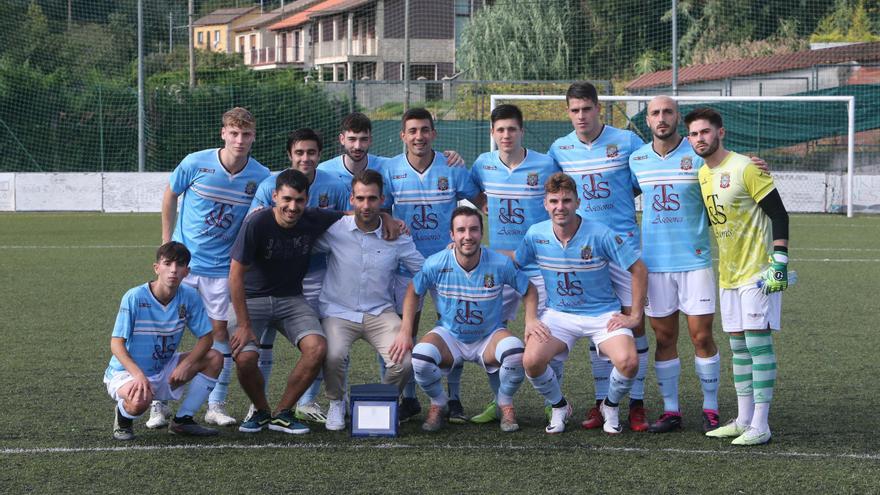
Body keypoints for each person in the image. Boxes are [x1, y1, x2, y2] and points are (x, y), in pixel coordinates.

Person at [155, 107, 270, 428]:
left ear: (253, 137)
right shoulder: (195, 162)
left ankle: (215, 405)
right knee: (169, 332)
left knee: (222, 335)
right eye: (234, 133)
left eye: (246, 134)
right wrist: (167, 243)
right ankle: (159, 404)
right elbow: (170, 194)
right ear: (223, 134)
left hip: (223, 271)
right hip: (184, 268)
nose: (240, 140)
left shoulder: (260, 176)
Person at [548, 82, 650, 432]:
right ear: (568, 112)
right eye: (574, 110)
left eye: (586, 109)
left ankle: (636, 403)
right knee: (599, 324)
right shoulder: (559, 148)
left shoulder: (627, 141)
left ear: (598, 108)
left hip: (623, 248)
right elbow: (549, 192)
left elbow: (644, 180)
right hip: (583, 254)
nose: (581, 116)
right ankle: (601, 401)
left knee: (633, 324)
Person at [686, 107, 789, 446]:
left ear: (720, 132)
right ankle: (744, 419)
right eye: (694, 134)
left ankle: (761, 424)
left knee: (758, 345)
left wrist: (780, 260)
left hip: (758, 272)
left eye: (705, 132)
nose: (700, 138)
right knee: (738, 348)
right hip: (728, 273)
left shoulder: (745, 167)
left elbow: (779, 213)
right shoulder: (702, 174)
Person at [518, 173, 647, 434]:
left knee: (629, 361)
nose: (560, 207)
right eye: (554, 201)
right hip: (559, 314)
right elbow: (517, 267)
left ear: (578, 202)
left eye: (566, 200)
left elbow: (639, 269)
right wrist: (531, 317)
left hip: (602, 314)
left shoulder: (600, 233)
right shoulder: (536, 234)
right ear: (545, 204)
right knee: (531, 361)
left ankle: (609, 406)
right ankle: (559, 406)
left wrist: (634, 316)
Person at [390, 206, 537, 432]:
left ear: (481, 233)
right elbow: (413, 290)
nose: (467, 236)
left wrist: (531, 320)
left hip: (489, 335)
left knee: (516, 353)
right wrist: (405, 331)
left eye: (473, 230)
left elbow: (528, 289)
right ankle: (439, 404)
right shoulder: (437, 263)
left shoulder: (499, 263)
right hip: (450, 335)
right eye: (461, 230)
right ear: (452, 235)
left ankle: (504, 403)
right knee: (419, 357)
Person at [381, 108, 485, 423]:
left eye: (424, 130)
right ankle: (408, 399)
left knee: (454, 331)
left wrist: (465, 232)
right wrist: (389, 218)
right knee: (402, 332)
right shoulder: (390, 170)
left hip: (447, 266)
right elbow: (382, 208)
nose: (419, 136)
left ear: (434, 134)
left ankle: (453, 399)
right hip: (405, 266)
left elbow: (477, 198)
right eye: (412, 131)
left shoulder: (450, 167)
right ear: (402, 136)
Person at [629, 96, 721, 433]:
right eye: (655, 113)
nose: (661, 118)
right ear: (648, 120)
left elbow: (725, 172)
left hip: (694, 261)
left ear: (677, 118)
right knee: (664, 338)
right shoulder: (636, 159)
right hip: (654, 265)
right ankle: (672, 411)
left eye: (668, 112)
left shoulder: (697, 154)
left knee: (701, 337)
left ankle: (710, 407)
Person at [248, 128, 349, 424]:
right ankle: (259, 406)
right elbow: (255, 224)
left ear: (320, 154)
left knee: (323, 339)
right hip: (274, 276)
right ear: (290, 155)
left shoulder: (336, 186)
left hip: (319, 274)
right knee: (262, 343)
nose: (306, 158)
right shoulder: (270, 185)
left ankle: (307, 401)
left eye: (312, 152)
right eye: (299, 153)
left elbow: (349, 223)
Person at [228, 169, 340, 435]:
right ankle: (261, 410)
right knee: (245, 358)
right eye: (287, 199)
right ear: (275, 196)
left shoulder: (312, 218)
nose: (292, 207)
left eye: (299, 200)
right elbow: (234, 276)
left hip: (291, 299)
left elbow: (354, 215)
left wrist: (386, 218)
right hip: (252, 299)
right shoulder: (256, 223)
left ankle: (283, 412)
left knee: (317, 348)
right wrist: (243, 325)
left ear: (307, 200)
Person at [468, 103, 560, 423]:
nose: (506, 135)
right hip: (500, 264)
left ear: (522, 131)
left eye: (512, 129)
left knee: (547, 334)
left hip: (539, 263)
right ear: (492, 134)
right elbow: (473, 192)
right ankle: (500, 400)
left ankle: (553, 401)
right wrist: (486, 206)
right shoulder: (483, 164)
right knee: (492, 331)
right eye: (500, 130)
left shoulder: (546, 164)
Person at [313, 170, 425, 431]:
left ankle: (379, 403)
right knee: (333, 355)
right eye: (360, 198)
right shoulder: (335, 230)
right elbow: (301, 236)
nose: (366, 205)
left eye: (372, 199)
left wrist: (451, 256)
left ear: (382, 199)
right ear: (351, 199)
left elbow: (423, 270)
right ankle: (336, 402)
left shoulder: (396, 235)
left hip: (380, 312)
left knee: (404, 362)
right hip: (338, 311)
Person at [104, 242, 223, 440]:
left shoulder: (190, 297)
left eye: (180, 265)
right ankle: (123, 418)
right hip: (126, 373)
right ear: (156, 268)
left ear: (187, 271)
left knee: (215, 358)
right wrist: (139, 375)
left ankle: (183, 421)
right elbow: (116, 344)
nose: (173, 270)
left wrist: (187, 363)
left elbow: (206, 338)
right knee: (141, 400)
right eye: (167, 264)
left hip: (164, 368)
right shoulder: (134, 297)